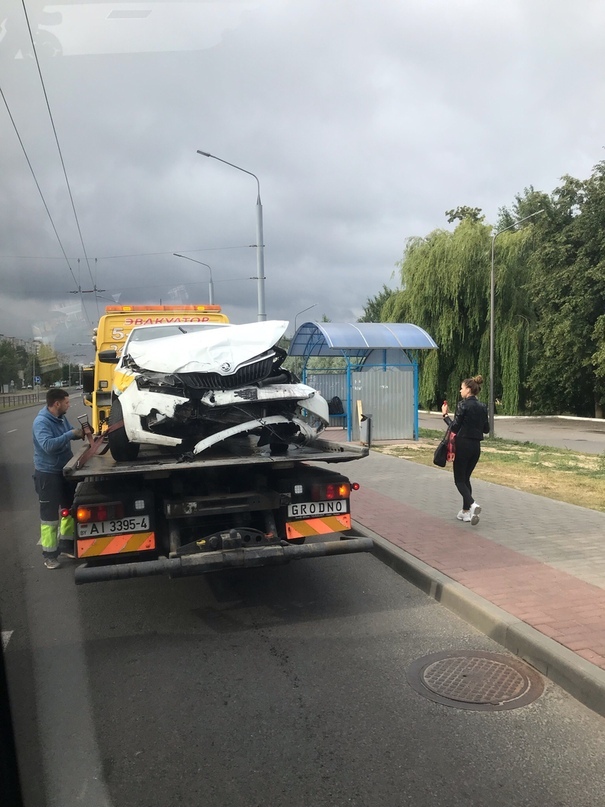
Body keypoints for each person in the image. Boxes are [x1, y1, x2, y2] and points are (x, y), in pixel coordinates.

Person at [33, 388, 83, 569]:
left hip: (63, 471)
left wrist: (80, 432)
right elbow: (47, 446)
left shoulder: (61, 418)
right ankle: (50, 555)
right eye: (67, 402)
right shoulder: (41, 422)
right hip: (47, 474)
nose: (69, 405)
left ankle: (66, 545)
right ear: (57, 404)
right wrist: (70, 435)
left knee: (67, 511)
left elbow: (69, 431)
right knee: (49, 517)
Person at [441, 375, 489, 525]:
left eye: (461, 388)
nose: (460, 390)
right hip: (476, 447)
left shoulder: (463, 405)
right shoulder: (483, 407)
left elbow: (454, 427)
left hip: (463, 446)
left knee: (459, 480)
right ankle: (466, 512)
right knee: (466, 478)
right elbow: (486, 429)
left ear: (468, 390)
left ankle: (473, 505)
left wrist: (445, 415)